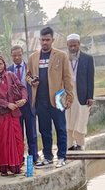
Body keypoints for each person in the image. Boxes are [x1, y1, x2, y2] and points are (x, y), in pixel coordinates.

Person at [27, 27, 74, 168]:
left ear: (52, 40)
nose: (45, 42)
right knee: (44, 130)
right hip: (40, 99)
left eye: (48, 40)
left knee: (60, 128)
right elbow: (28, 75)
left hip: (59, 98)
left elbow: (67, 78)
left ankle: (62, 156)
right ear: (39, 40)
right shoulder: (33, 57)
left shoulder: (61, 55)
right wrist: (31, 81)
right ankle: (47, 156)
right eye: (42, 40)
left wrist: (69, 97)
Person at [0, 55, 27, 176]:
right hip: (0, 115)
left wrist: (23, 99)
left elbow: (22, 87)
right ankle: (4, 168)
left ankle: (16, 166)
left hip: (13, 114)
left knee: (17, 140)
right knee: (2, 141)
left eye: (1, 64)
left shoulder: (10, 75)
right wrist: (7, 104)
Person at [9, 45, 39, 165]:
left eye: (19, 55)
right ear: (11, 56)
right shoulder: (8, 70)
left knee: (31, 132)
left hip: (29, 104)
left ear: (23, 54)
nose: (17, 57)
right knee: (18, 133)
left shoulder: (29, 69)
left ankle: (34, 157)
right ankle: (19, 158)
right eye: (14, 55)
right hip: (16, 106)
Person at [65, 34, 95, 150]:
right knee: (68, 119)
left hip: (81, 93)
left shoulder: (87, 59)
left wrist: (90, 96)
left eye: (75, 45)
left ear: (79, 44)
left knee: (81, 118)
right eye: (70, 46)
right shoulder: (63, 58)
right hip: (67, 93)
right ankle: (69, 145)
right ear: (67, 45)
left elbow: (90, 78)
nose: (72, 48)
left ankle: (80, 143)